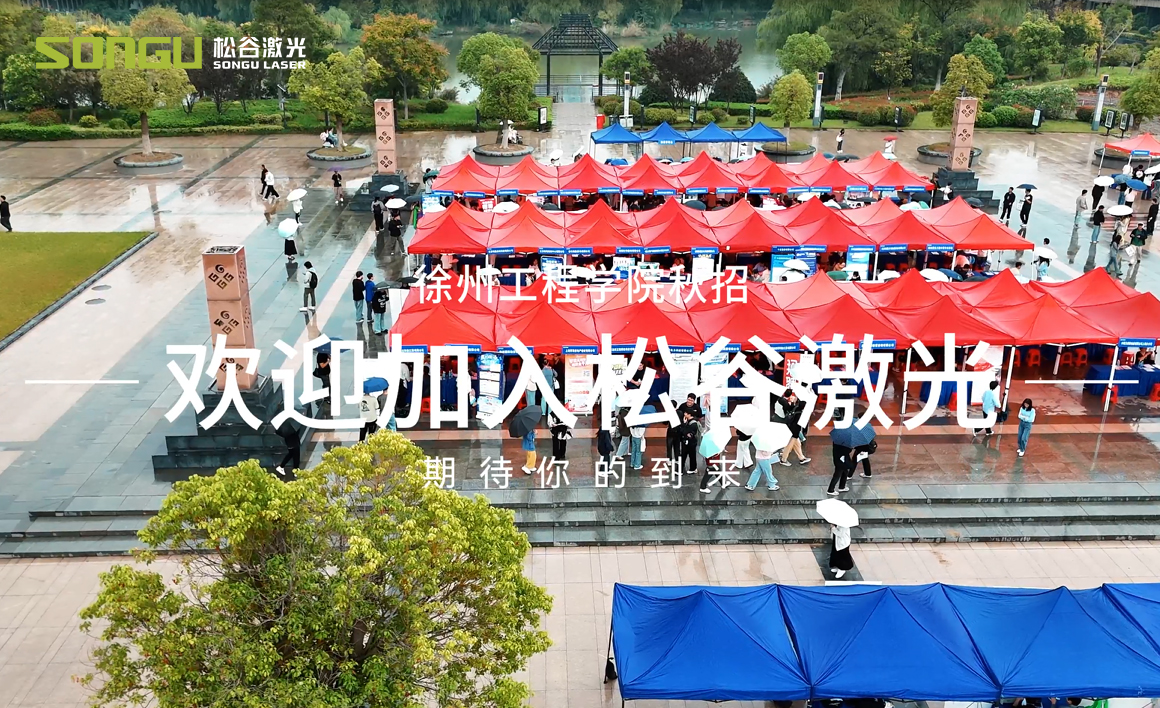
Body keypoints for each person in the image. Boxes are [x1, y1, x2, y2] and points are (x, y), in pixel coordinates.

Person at [775, 392, 810, 466]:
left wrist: (793, 402)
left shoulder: (795, 407)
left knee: (797, 444)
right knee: (790, 445)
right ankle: (783, 459)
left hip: (791, 427)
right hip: (794, 430)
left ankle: (802, 458)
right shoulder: (800, 412)